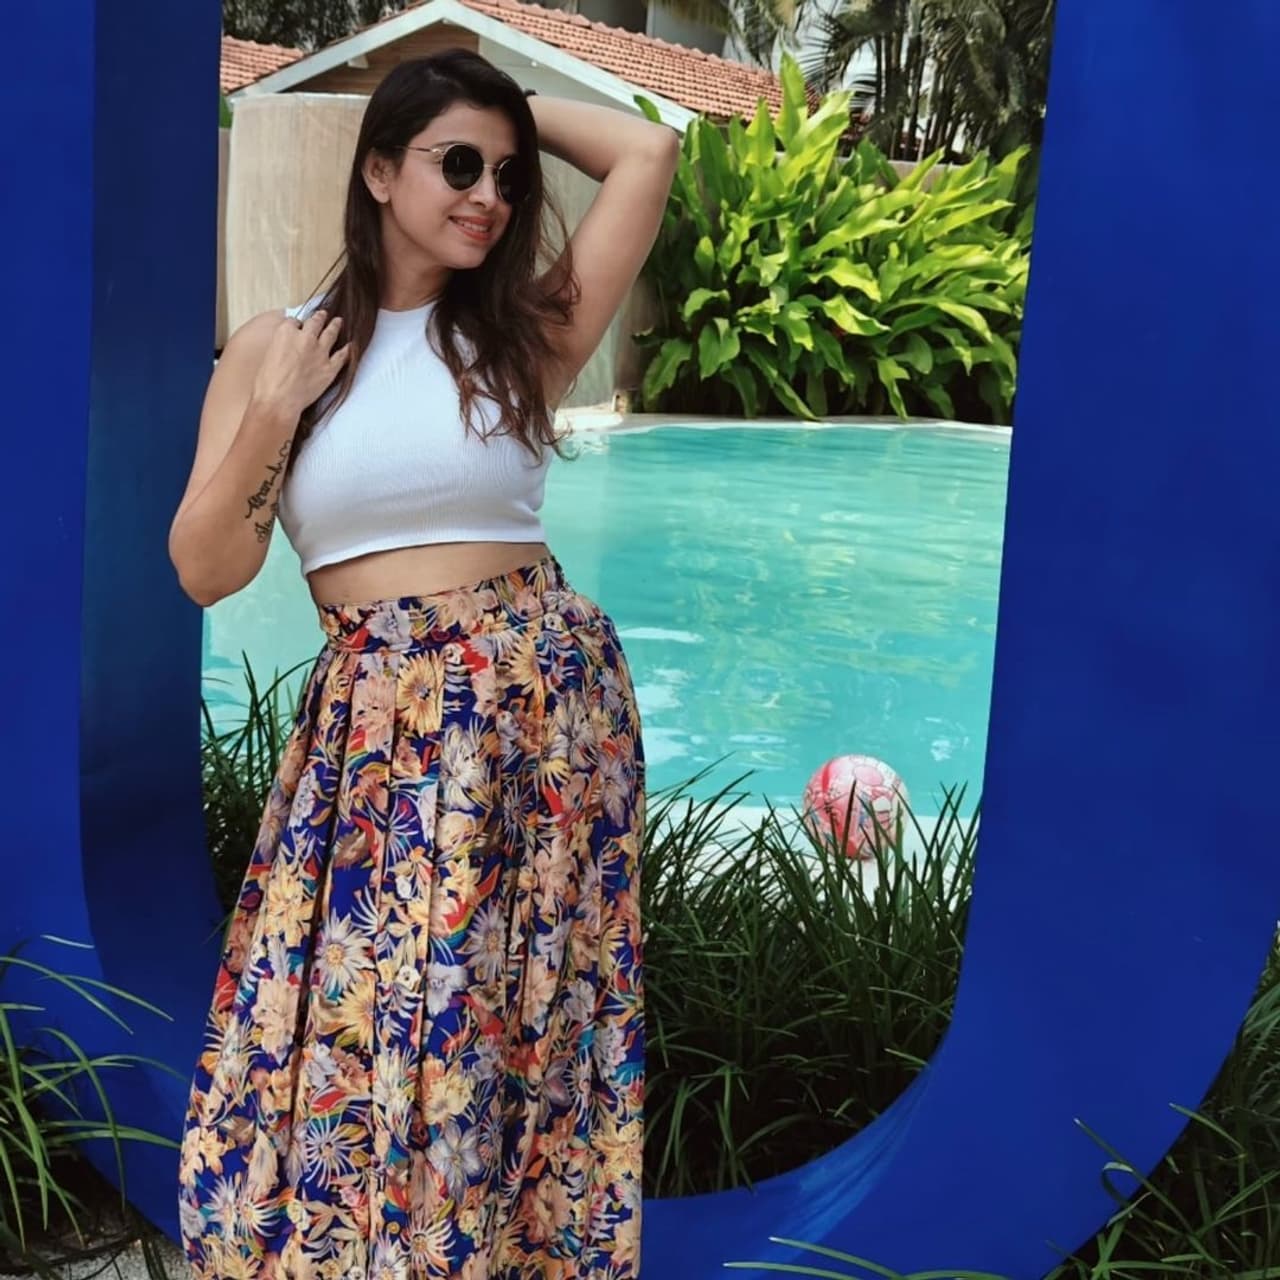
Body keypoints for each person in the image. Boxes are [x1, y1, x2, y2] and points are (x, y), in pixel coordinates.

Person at [171, 49, 677, 1280]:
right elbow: (204, 567)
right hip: (379, 722)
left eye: (506, 173)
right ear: (379, 170)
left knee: (517, 1015)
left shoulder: (521, 334)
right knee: (364, 1015)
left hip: (541, 717)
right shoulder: (274, 349)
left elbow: (646, 148)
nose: (488, 194)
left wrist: (497, 104)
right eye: (456, 163)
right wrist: (277, 407)